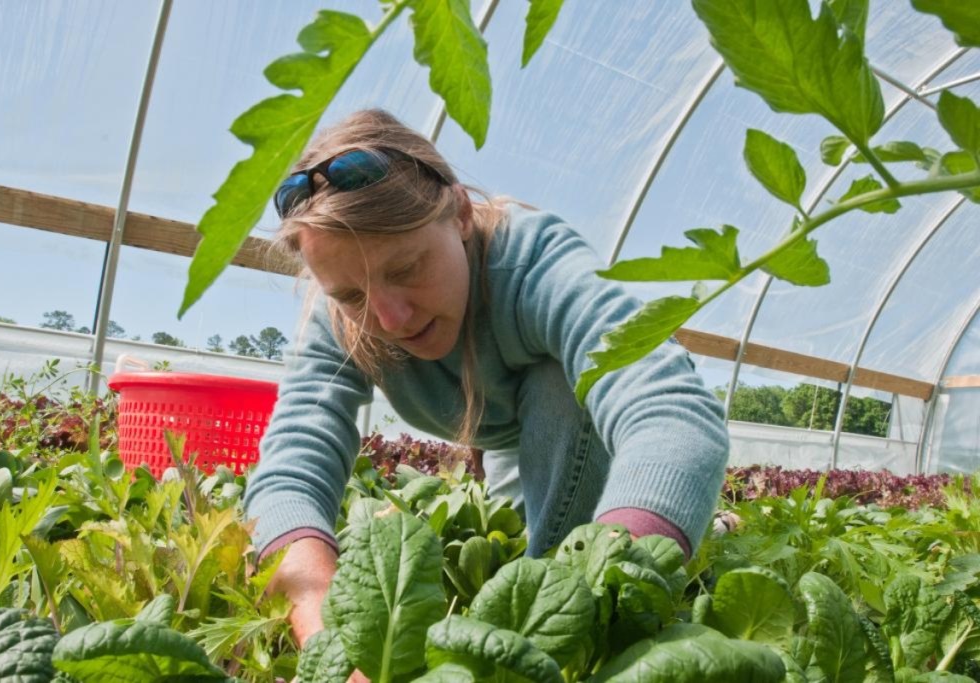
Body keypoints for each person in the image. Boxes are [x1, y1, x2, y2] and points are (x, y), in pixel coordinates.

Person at [243, 109, 729, 653]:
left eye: (405, 269)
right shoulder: (340, 318)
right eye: (352, 296)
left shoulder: (533, 261)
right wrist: (317, 608)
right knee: (524, 535)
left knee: (568, 382)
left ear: (460, 214)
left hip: (594, 438)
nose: (390, 319)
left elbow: (672, 411)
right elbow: (290, 465)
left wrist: (601, 578)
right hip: (515, 456)